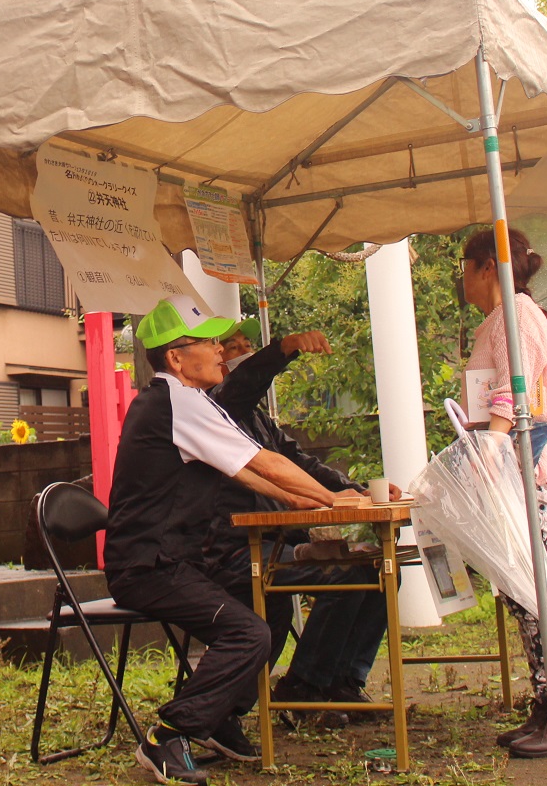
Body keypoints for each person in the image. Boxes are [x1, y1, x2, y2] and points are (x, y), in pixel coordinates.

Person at [107, 294, 343, 785]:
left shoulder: (180, 402)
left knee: (270, 602)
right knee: (248, 632)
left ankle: (220, 719)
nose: (221, 351)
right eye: (210, 342)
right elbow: (265, 463)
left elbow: (248, 469)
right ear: (176, 357)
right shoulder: (177, 402)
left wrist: (302, 500)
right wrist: (336, 502)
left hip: (180, 561)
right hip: (149, 566)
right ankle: (169, 734)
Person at [205, 324, 392, 729]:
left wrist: (359, 491)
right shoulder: (214, 408)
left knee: (376, 567)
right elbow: (240, 387)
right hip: (238, 549)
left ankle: (343, 680)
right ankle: (303, 686)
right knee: (343, 575)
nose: (238, 352)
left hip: (281, 542)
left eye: (245, 345)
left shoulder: (259, 420)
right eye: (229, 347)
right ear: (215, 359)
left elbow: (304, 464)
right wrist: (283, 349)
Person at [460, 227, 547, 756]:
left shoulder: (517, 314)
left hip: (524, 458)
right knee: (525, 589)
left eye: (466, 267)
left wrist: (491, 448)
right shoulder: (502, 318)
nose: (463, 280)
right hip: (510, 458)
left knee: (540, 585)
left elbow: (517, 386)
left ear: (487, 266)